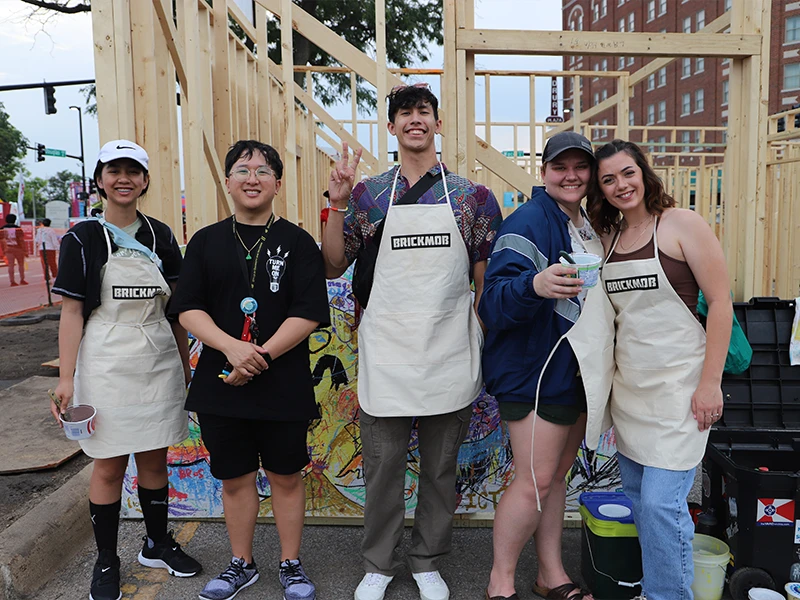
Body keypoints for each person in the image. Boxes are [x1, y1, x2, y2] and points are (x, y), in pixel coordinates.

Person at [321, 84, 502, 600]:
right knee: (381, 467)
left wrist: (475, 338)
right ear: (393, 127)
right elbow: (335, 262)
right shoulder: (368, 195)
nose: (415, 120)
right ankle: (378, 564)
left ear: (437, 125)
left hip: (449, 351)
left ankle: (427, 560)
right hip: (387, 352)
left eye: (424, 111)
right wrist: (335, 205)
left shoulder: (473, 198)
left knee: (442, 468)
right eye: (405, 113)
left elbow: (484, 280)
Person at [171, 140, 330, 600]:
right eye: (242, 169)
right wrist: (232, 350)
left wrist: (257, 357)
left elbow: (308, 312)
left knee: (285, 475)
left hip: (282, 383)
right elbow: (189, 309)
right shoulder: (205, 241)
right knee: (235, 478)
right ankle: (241, 562)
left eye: (263, 170)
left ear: (278, 183)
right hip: (222, 384)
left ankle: (291, 564)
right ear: (228, 182)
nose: (252, 177)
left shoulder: (298, 242)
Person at [50, 139, 202, 600]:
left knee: (156, 457)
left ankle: (156, 544)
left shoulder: (160, 235)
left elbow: (176, 310)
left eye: (133, 171)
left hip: (157, 358)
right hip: (106, 361)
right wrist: (66, 378)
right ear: (99, 180)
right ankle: (106, 560)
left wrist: (183, 364)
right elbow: (73, 314)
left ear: (145, 181)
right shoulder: (82, 238)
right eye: (114, 170)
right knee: (110, 463)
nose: (123, 178)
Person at [583, 139, 732, 600]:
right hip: (631, 393)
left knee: (660, 505)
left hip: (681, 390)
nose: (620, 185)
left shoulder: (681, 224)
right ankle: (656, 590)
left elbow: (723, 306)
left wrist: (711, 385)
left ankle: (669, 595)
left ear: (644, 173)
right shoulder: (607, 240)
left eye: (627, 173)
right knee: (638, 504)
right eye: (608, 180)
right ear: (601, 190)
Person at [479, 132, 599, 600]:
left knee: (553, 478)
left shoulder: (586, 223)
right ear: (543, 170)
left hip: (573, 368)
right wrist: (535, 285)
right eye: (559, 166)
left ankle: (551, 574)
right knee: (533, 481)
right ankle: (500, 582)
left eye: (580, 167)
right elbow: (491, 303)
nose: (570, 176)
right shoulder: (528, 220)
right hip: (535, 370)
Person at [1, 213, 28, 286]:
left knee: (10, 265)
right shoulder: (18, 228)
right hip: (18, 248)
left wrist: (4, 249)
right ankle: (22, 279)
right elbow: (21, 240)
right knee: (21, 264)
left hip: (8, 248)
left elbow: (1, 240)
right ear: (14, 220)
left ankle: (12, 281)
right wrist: (25, 250)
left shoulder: (2, 229)